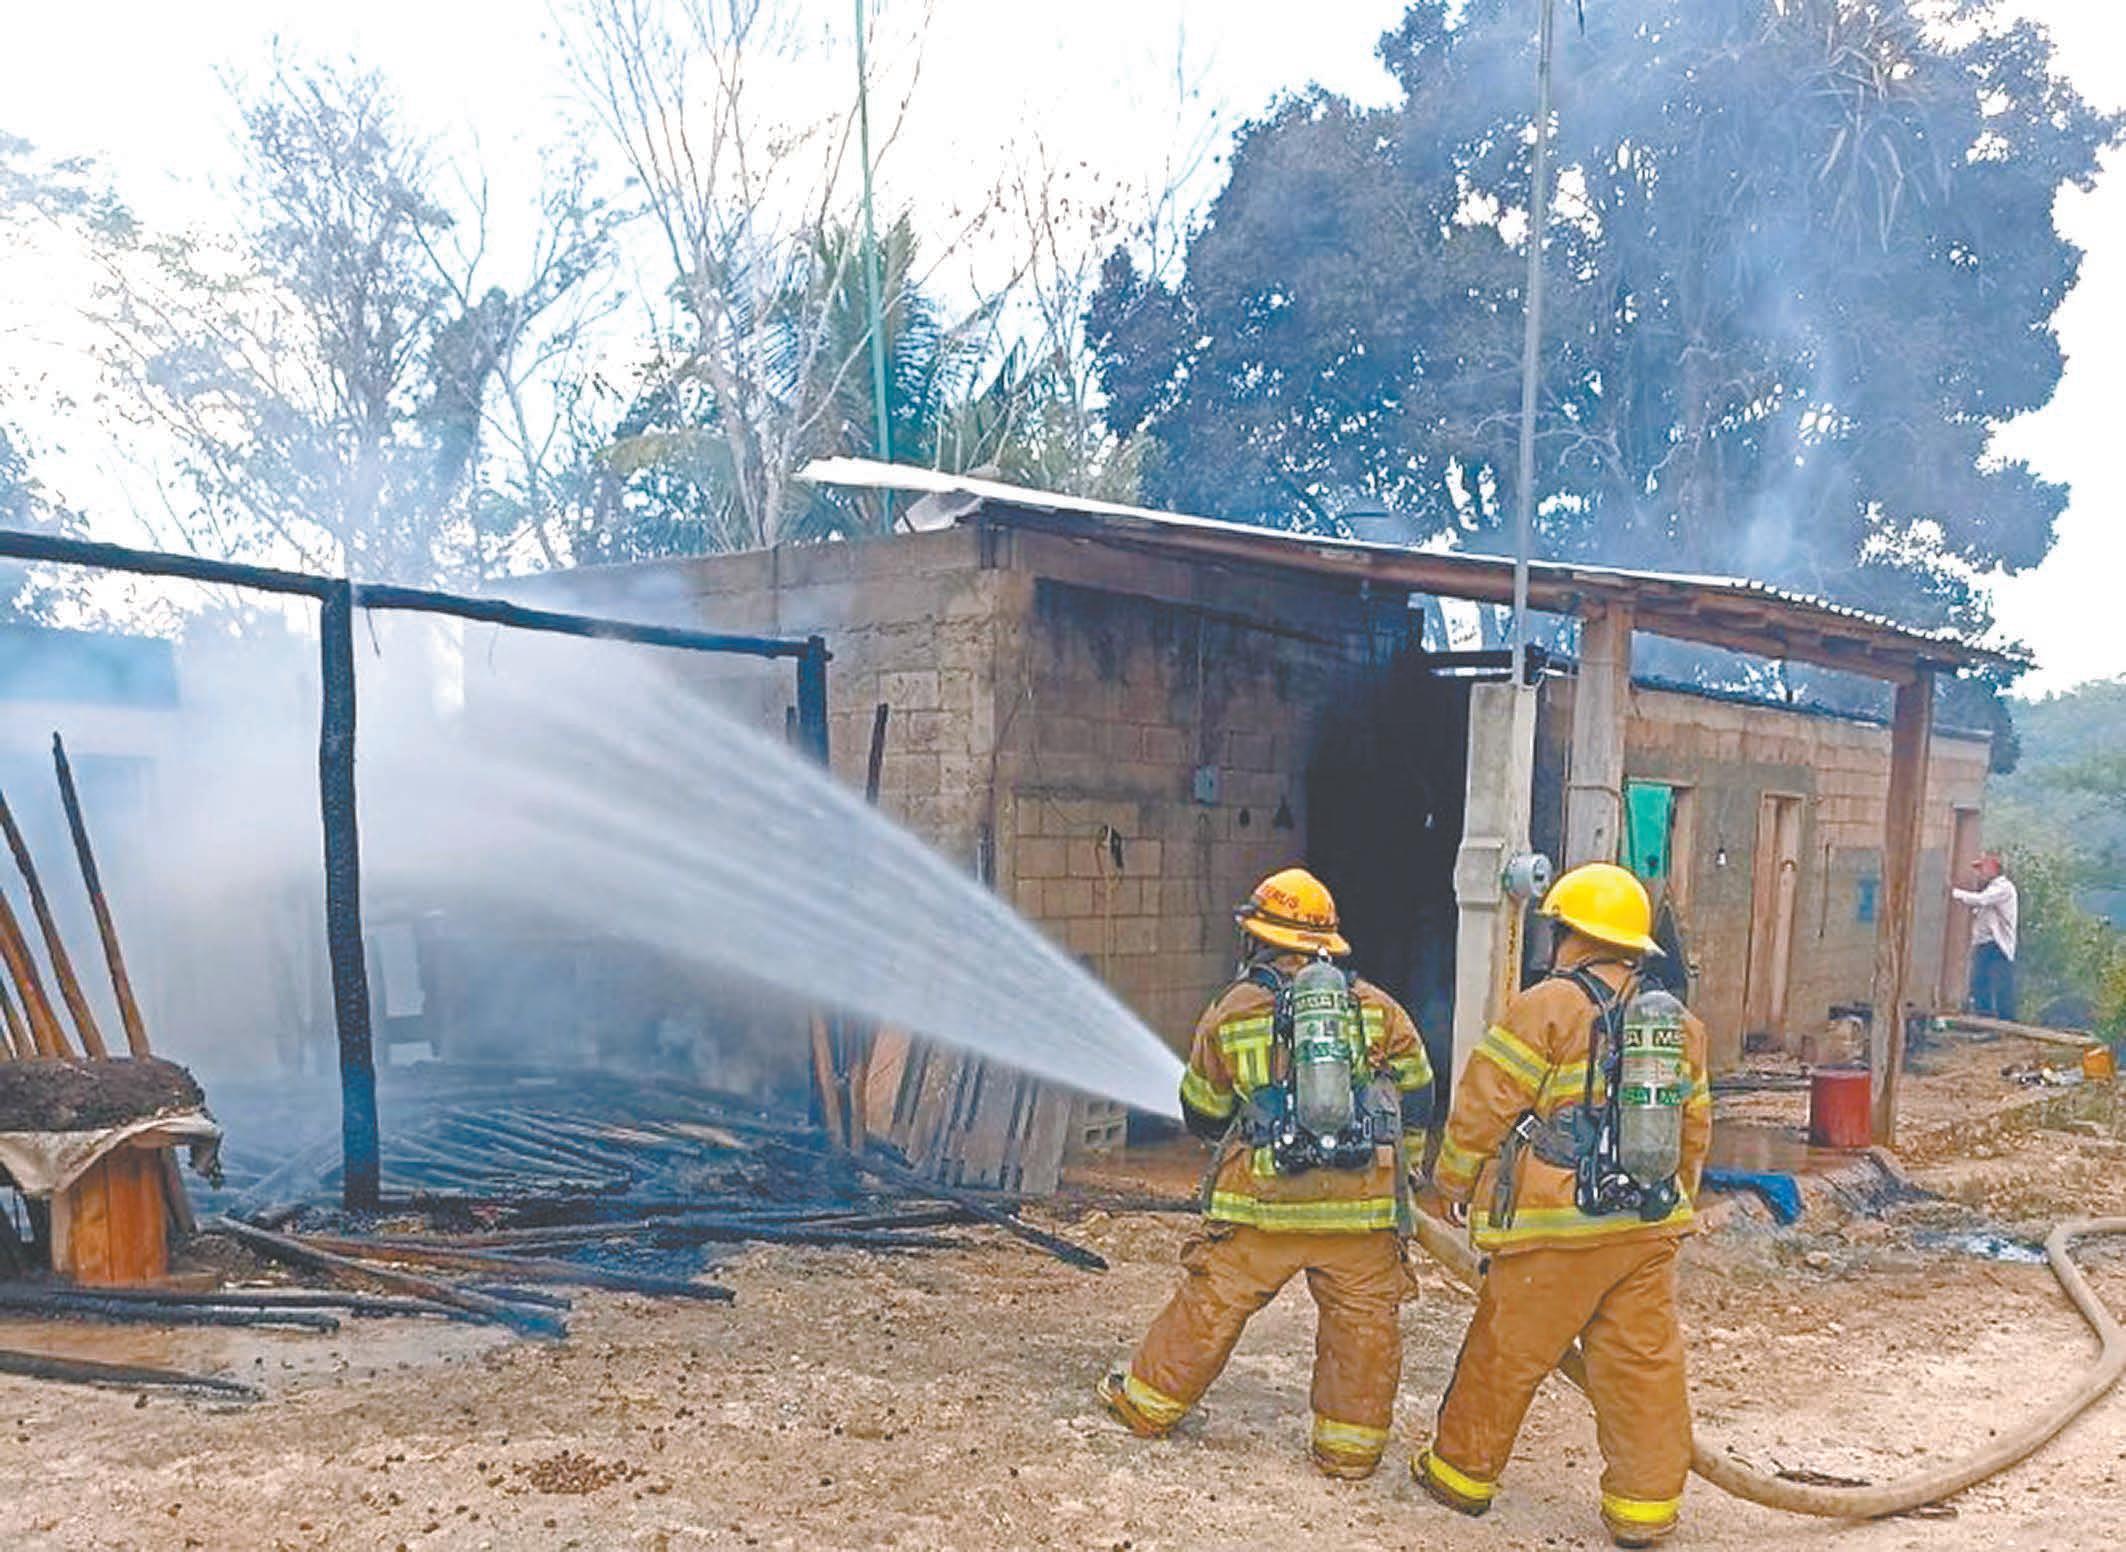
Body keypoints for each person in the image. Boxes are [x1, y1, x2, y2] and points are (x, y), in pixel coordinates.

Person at [1099, 866, 1433, 1480]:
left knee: (1211, 1303)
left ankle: (1146, 1404)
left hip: (1262, 1203)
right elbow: (1417, 1095)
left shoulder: (1233, 1010)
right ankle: (1349, 1450)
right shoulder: (1378, 1008)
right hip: (1361, 1209)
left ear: (1258, 938)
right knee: (1363, 1324)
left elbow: (1203, 1110)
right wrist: (1402, 1169)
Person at [1414, 862, 1711, 1549]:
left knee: (1505, 1354)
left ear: (1573, 934)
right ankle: (1644, 1512)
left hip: (1557, 1227)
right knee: (1643, 1367)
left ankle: (1459, 1477)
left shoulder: (1546, 1005)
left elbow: (1485, 1104)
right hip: (1646, 1226)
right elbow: (1694, 1129)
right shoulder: (1679, 1025)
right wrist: (1675, 1207)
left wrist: (1451, 1183)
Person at [1953, 850, 2019, 1021]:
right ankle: (1986, 1015)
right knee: (1981, 980)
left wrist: (1954, 893)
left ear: (1994, 867)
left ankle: (2003, 1018)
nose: (1980, 872)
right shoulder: (1992, 888)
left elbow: (1981, 900)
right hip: (1986, 941)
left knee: (1996, 982)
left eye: (1983, 867)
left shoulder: (2003, 888)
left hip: (1996, 942)